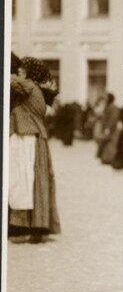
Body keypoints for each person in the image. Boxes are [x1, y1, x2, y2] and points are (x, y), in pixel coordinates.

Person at [8, 57, 61, 244]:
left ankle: (27, 229)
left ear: (30, 73)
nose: (20, 71)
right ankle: (36, 228)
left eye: (23, 68)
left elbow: (10, 79)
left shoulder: (28, 86)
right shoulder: (36, 88)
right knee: (33, 183)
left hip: (28, 137)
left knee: (23, 182)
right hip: (33, 137)